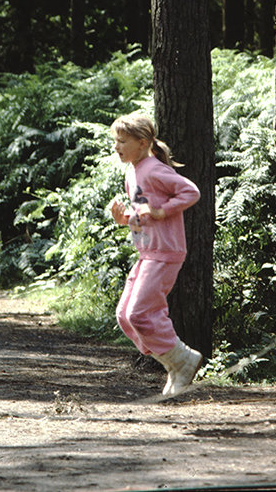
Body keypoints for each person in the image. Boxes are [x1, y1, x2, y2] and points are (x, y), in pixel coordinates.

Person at [109, 113, 203, 397]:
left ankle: (184, 360)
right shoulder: (132, 171)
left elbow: (191, 192)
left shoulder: (153, 169)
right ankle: (175, 364)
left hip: (165, 252)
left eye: (122, 141)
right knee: (125, 315)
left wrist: (162, 211)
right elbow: (141, 213)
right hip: (147, 252)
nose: (116, 147)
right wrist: (125, 218)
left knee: (139, 313)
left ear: (142, 143)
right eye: (115, 141)